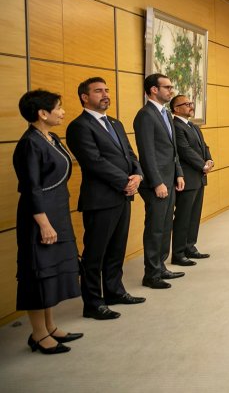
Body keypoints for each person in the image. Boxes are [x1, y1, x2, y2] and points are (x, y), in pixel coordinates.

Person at [66, 77, 146, 321]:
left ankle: (114, 292)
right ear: (84, 96)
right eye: (98, 91)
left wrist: (138, 176)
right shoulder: (79, 126)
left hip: (123, 197)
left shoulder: (115, 122)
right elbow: (94, 161)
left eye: (107, 90)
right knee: (95, 253)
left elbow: (130, 154)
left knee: (116, 250)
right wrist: (125, 181)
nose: (105, 94)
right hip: (100, 199)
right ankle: (93, 303)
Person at [13, 90, 82, 354]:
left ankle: (50, 326)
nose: (63, 111)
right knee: (38, 274)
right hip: (39, 217)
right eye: (59, 107)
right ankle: (38, 334)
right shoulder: (31, 142)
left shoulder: (50, 137)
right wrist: (43, 223)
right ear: (43, 113)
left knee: (52, 272)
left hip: (57, 212)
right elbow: (31, 188)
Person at [134, 74, 185, 290]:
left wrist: (178, 173)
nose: (171, 91)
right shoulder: (145, 115)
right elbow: (147, 153)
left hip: (169, 178)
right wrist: (156, 182)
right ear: (153, 90)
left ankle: (161, 266)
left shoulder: (164, 113)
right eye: (167, 87)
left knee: (165, 225)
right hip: (157, 183)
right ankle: (151, 274)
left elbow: (172, 150)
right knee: (155, 227)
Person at [170, 95, 214, 266]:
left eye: (191, 103)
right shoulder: (176, 126)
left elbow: (205, 146)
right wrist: (203, 165)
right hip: (187, 178)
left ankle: (190, 247)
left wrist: (209, 160)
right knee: (183, 216)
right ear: (176, 108)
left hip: (199, 177)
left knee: (194, 215)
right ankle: (178, 252)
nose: (190, 106)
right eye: (186, 104)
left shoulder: (193, 126)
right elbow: (184, 150)